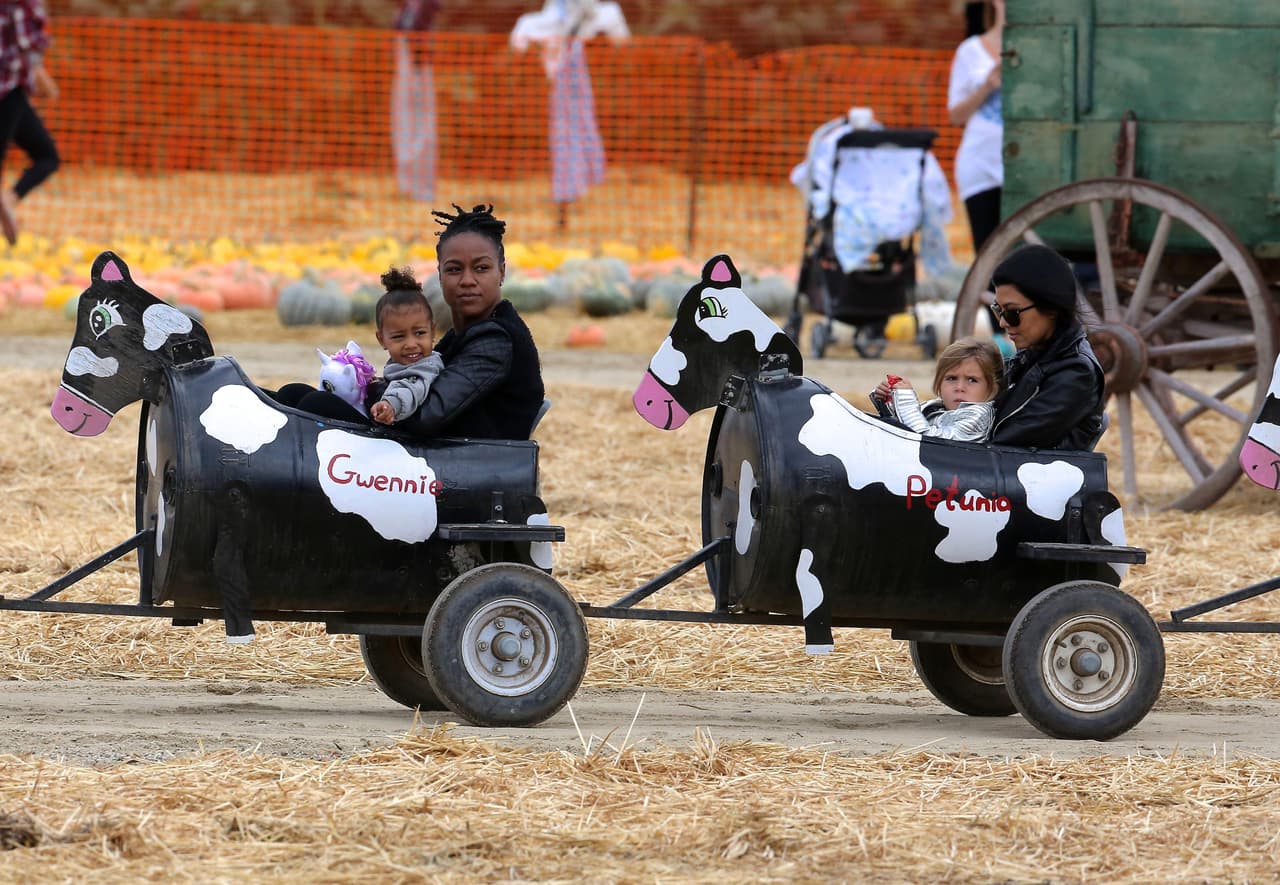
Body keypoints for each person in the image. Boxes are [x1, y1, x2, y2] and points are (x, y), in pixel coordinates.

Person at [392, 203, 546, 439]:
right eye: (454, 270)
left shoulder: (497, 339)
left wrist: (376, 397)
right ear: (440, 275)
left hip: (479, 470)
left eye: (481, 268)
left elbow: (426, 416)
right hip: (447, 460)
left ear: (502, 272)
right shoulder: (462, 334)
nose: (467, 280)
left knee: (326, 407)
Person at [510, 0, 629, 230]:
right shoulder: (553, 21)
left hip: (570, 63)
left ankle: (570, 189)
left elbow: (594, 15)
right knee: (567, 129)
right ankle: (569, 190)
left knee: (570, 129)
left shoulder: (584, 23)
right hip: (566, 63)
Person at [987, 244, 1105, 450]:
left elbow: (1005, 441)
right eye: (998, 310)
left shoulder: (1075, 374)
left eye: (1012, 313)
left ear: (1050, 307)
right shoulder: (1032, 355)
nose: (1003, 323)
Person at [947, 0, 1004, 255]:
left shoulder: (1042, 50)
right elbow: (956, 114)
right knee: (988, 252)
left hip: (1027, 166)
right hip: (982, 163)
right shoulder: (970, 51)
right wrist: (986, 87)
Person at [0, 0, 58, 246]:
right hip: (7, 91)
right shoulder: (21, 3)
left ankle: (9, 201)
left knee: (47, 155)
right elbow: (27, 45)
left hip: (15, 90)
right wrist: (40, 76)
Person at [869, 337, 1003, 442]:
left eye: (972, 380)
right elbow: (904, 427)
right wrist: (887, 400)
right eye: (951, 378)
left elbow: (927, 441)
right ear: (939, 383)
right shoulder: (936, 407)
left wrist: (905, 399)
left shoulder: (978, 416)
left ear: (992, 388)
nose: (959, 387)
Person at [367, 266, 445, 425]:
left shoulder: (426, 367)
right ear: (381, 340)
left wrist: (391, 405)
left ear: (432, 331)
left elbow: (411, 389)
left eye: (420, 333)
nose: (410, 344)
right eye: (398, 336)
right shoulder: (404, 364)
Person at [391, 0, 441, 201]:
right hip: (409, 55)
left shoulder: (425, 6)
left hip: (416, 60)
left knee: (419, 124)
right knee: (405, 122)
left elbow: (421, 21)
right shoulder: (407, 8)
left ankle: (421, 189)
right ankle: (408, 187)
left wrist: (418, 52)